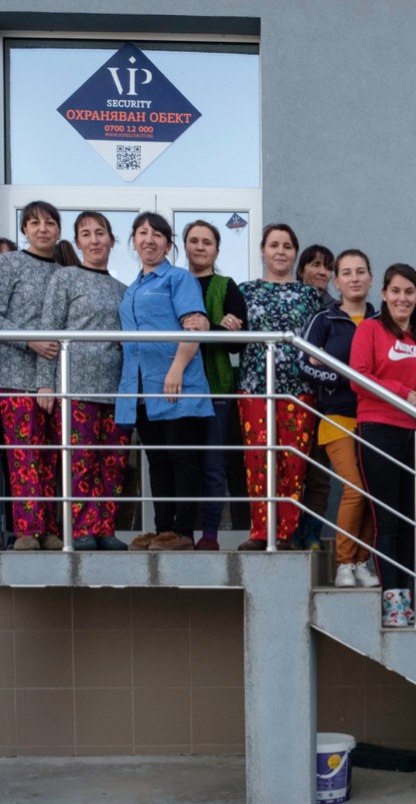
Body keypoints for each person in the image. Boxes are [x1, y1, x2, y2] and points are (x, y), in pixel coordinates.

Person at [350, 263, 416, 626]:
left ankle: (408, 596)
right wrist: (408, 395)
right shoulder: (370, 330)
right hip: (378, 431)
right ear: (384, 294)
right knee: (387, 521)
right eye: (396, 291)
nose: (402, 298)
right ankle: (393, 601)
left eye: (409, 292)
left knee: (410, 521)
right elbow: (360, 378)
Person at [114, 212, 213, 551]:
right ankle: (162, 530)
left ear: (168, 245)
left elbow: (195, 325)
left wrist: (176, 369)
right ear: (134, 242)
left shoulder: (178, 278)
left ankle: (184, 532)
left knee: (182, 458)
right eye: (142, 233)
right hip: (141, 389)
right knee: (157, 461)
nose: (149, 240)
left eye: (157, 235)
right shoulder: (132, 289)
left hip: (177, 385)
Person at [34, 211, 130, 551]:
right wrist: (46, 383)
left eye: (100, 233)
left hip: (115, 388)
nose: (94, 240)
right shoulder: (66, 278)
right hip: (75, 386)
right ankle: (81, 529)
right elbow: (50, 330)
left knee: (112, 463)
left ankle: (105, 527)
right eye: (86, 234)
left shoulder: (124, 289)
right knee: (80, 461)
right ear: (77, 242)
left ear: (111, 240)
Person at [0, 200, 77, 551]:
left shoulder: (65, 270)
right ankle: (28, 531)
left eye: (50, 223)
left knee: (52, 457)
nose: (43, 229)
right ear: (24, 230)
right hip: (15, 374)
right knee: (24, 454)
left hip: (56, 377)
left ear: (59, 230)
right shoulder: (10, 263)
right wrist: (30, 341)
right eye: (34, 223)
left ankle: (51, 529)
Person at [235, 224, 323, 550]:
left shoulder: (311, 295)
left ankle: (284, 533)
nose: (280, 251)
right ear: (262, 250)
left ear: (295, 253)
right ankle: (261, 533)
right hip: (254, 385)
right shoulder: (245, 291)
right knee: (259, 460)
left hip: (299, 388)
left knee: (293, 462)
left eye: (287, 246)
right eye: (274, 245)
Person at [301, 249, 380, 589]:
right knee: (355, 489)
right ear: (337, 281)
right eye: (346, 273)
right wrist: (343, 380)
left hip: (375, 419)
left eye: (360, 271)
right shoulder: (324, 320)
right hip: (337, 417)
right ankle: (344, 563)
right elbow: (303, 364)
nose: (354, 278)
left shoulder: (381, 322)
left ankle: (362, 561)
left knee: (373, 493)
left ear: (370, 278)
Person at [179, 219, 247, 550]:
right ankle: (180, 534)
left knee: (212, 464)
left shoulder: (226, 285)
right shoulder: (174, 282)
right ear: (185, 246)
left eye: (208, 241)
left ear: (217, 249)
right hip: (176, 387)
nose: (201, 247)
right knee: (182, 462)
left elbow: (238, 344)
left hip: (217, 389)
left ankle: (209, 534)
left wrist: (213, 331)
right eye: (194, 240)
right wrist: (219, 329)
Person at [293, 243, 338, 550]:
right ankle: (290, 530)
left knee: (320, 473)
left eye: (327, 267)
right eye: (315, 265)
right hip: (293, 395)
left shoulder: (336, 309)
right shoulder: (292, 300)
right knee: (291, 467)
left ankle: (312, 533)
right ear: (301, 270)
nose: (321, 272)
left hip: (325, 400)